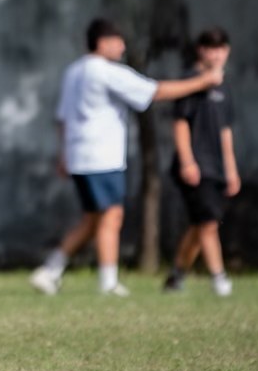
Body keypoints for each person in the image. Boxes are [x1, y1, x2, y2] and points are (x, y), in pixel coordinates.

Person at [30, 18, 224, 297]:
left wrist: (63, 154)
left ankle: (51, 270)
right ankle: (108, 282)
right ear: (102, 42)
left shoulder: (73, 71)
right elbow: (154, 91)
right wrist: (203, 81)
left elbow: (62, 118)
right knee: (111, 216)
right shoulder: (105, 71)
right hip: (101, 156)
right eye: (118, 41)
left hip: (78, 154)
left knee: (92, 219)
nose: (122, 47)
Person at [164, 27, 240, 296]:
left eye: (222, 49)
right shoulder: (190, 81)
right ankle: (219, 278)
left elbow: (225, 131)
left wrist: (231, 170)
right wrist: (187, 161)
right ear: (201, 51)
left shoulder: (224, 87)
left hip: (217, 167)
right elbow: (180, 123)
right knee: (208, 222)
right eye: (211, 49)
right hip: (195, 166)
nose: (217, 55)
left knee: (200, 226)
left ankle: (176, 276)